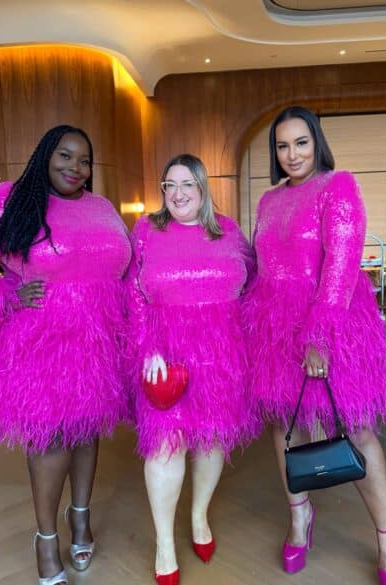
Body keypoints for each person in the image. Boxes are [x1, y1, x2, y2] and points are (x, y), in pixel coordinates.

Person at [0, 125, 131, 585]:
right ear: (45, 154)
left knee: (86, 431)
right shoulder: (13, 198)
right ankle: (46, 538)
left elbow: (127, 266)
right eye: (65, 156)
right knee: (50, 438)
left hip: (98, 341)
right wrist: (3, 295)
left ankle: (79, 518)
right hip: (42, 341)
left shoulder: (102, 208)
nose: (75, 168)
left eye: (84, 161)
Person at [244, 106, 386, 585]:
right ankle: (299, 518)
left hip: (330, 322)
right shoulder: (269, 201)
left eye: (301, 143)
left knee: (356, 428)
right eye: (282, 145)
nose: (292, 154)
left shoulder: (338, 187)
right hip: (275, 327)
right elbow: (261, 264)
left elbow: (340, 265)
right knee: (284, 426)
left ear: (317, 142)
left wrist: (319, 336)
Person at [126, 154, 259, 585]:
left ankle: (199, 517)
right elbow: (132, 293)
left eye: (187, 184)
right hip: (165, 351)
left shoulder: (230, 231)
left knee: (210, 440)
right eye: (169, 184)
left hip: (221, 353)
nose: (178, 194)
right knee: (165, 445)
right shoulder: (147, 230)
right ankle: (165, 543)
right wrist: (147, 346)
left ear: (203, 187)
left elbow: (253, 284)